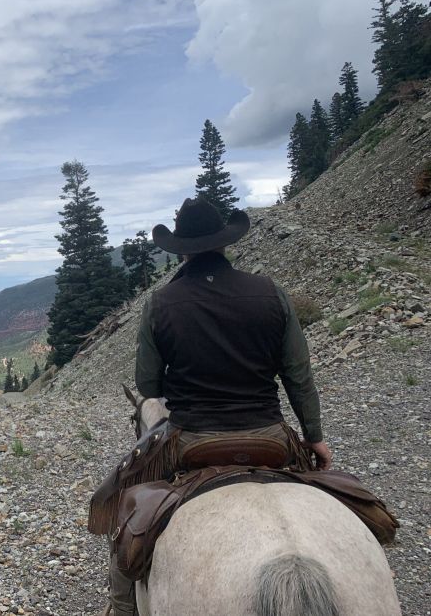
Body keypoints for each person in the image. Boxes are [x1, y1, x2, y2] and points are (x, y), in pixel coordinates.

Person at [102, 197, 331, 616]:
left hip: (190, 437)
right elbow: (299, 376)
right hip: (270, 434)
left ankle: (122, 609)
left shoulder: (161, 303)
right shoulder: (271, 293)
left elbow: (147, 386)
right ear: (225, 243)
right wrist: (314, 438)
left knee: (124, 518)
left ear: (182, 249)